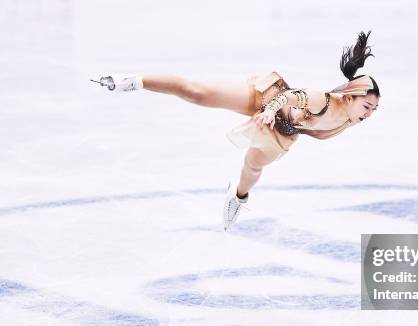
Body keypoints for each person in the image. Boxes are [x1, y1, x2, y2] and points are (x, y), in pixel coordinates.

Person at [93, 31, 380, 230]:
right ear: (350, 96)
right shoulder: (324, 101)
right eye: (366, 106)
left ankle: (237, 197)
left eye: (373, 110)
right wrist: (268, 110)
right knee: (197, 93)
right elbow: (293, 97)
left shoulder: (348, 119)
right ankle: (133, 81)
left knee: (253, 167)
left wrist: (277, 121)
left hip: (282, 131)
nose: (368, 114)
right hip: (265, 102)